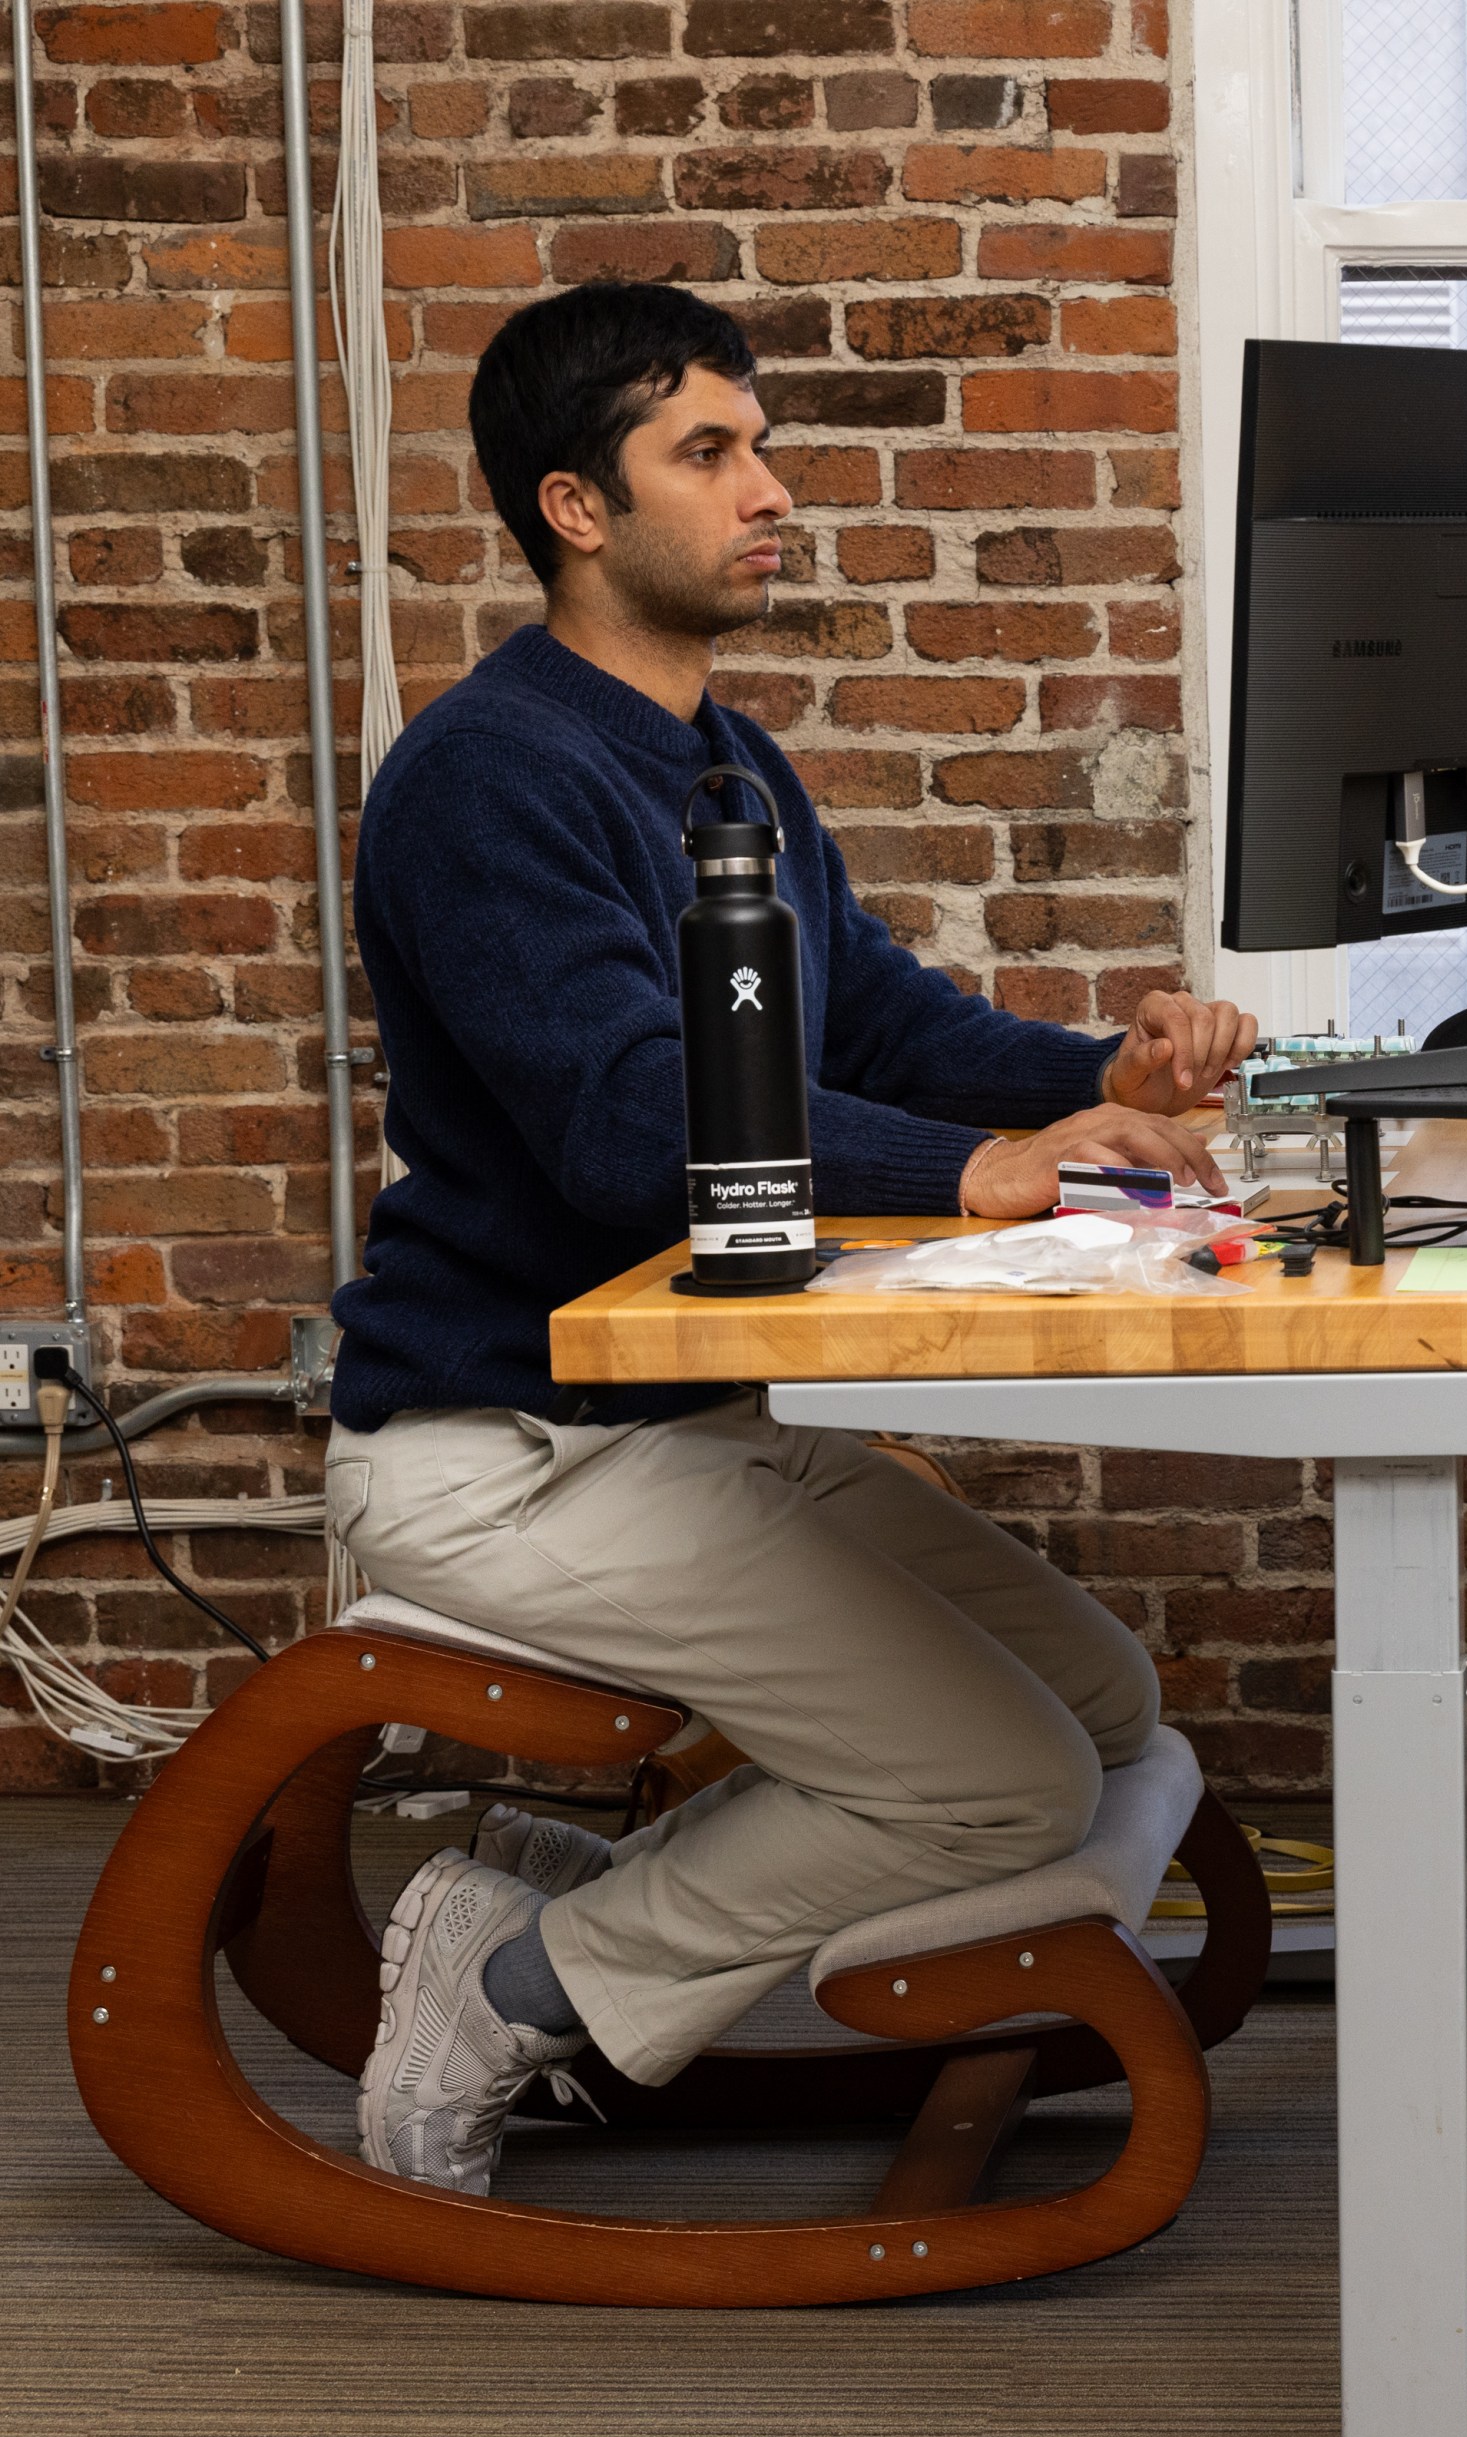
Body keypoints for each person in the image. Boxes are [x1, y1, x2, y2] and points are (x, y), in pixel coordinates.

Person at [329, 282, 1258, 2195]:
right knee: (1008, 1779)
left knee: (1104, 1708)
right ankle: (520, 1973)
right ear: (576, 510)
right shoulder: (490, 777)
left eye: (759, 445)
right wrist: (985, 1175)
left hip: (683, 1431)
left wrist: (1101, 1071)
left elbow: (886, 1026)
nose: (770, 487)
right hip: (504, 1452)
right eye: (711, 452)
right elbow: (625, 1124)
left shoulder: (723, 762)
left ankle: (596, 1892)